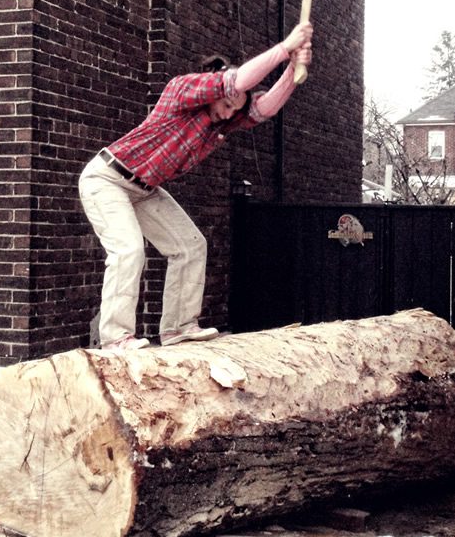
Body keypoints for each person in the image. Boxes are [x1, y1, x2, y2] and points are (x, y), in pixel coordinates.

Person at [79, 22, 313, 351]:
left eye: (235, 109)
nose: (228, 112)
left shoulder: (222, 121)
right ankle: (116, 338)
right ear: (214, 87)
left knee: (190, 246)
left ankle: (178, 328)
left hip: (144, 189)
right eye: (227, 102)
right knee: (129, 250)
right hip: (107, 178)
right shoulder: (183, 89)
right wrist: (285, 47)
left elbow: (264, 108)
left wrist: (293, 68)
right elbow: (239, 80)